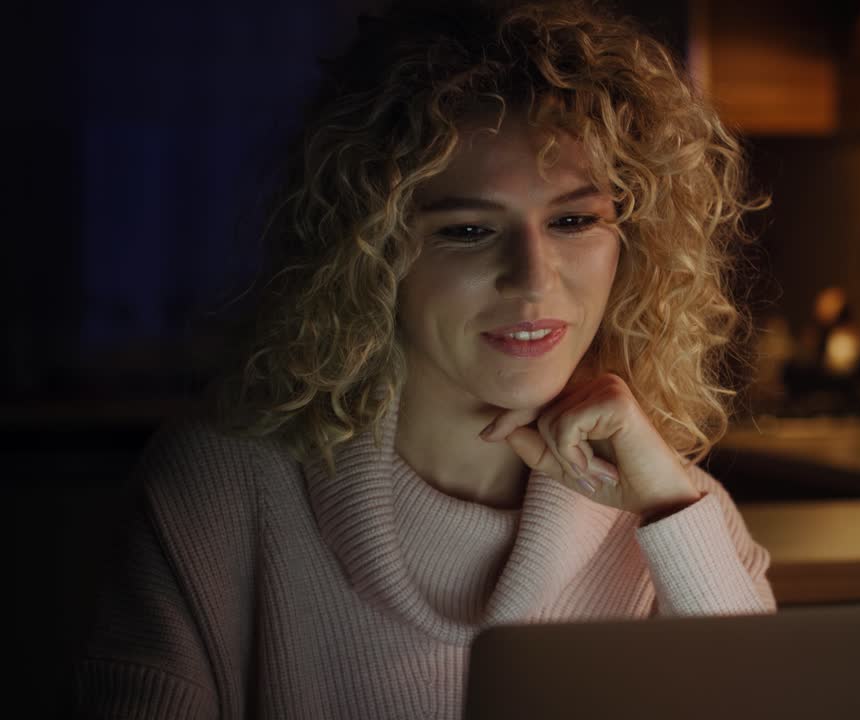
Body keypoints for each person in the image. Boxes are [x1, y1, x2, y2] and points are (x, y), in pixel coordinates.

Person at [74, 0, 775, 717]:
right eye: (468, 230)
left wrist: (671, 510)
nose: (533, 279)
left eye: (573, 221)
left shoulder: (679, 513)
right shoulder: (217, 489)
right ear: (369, 254)